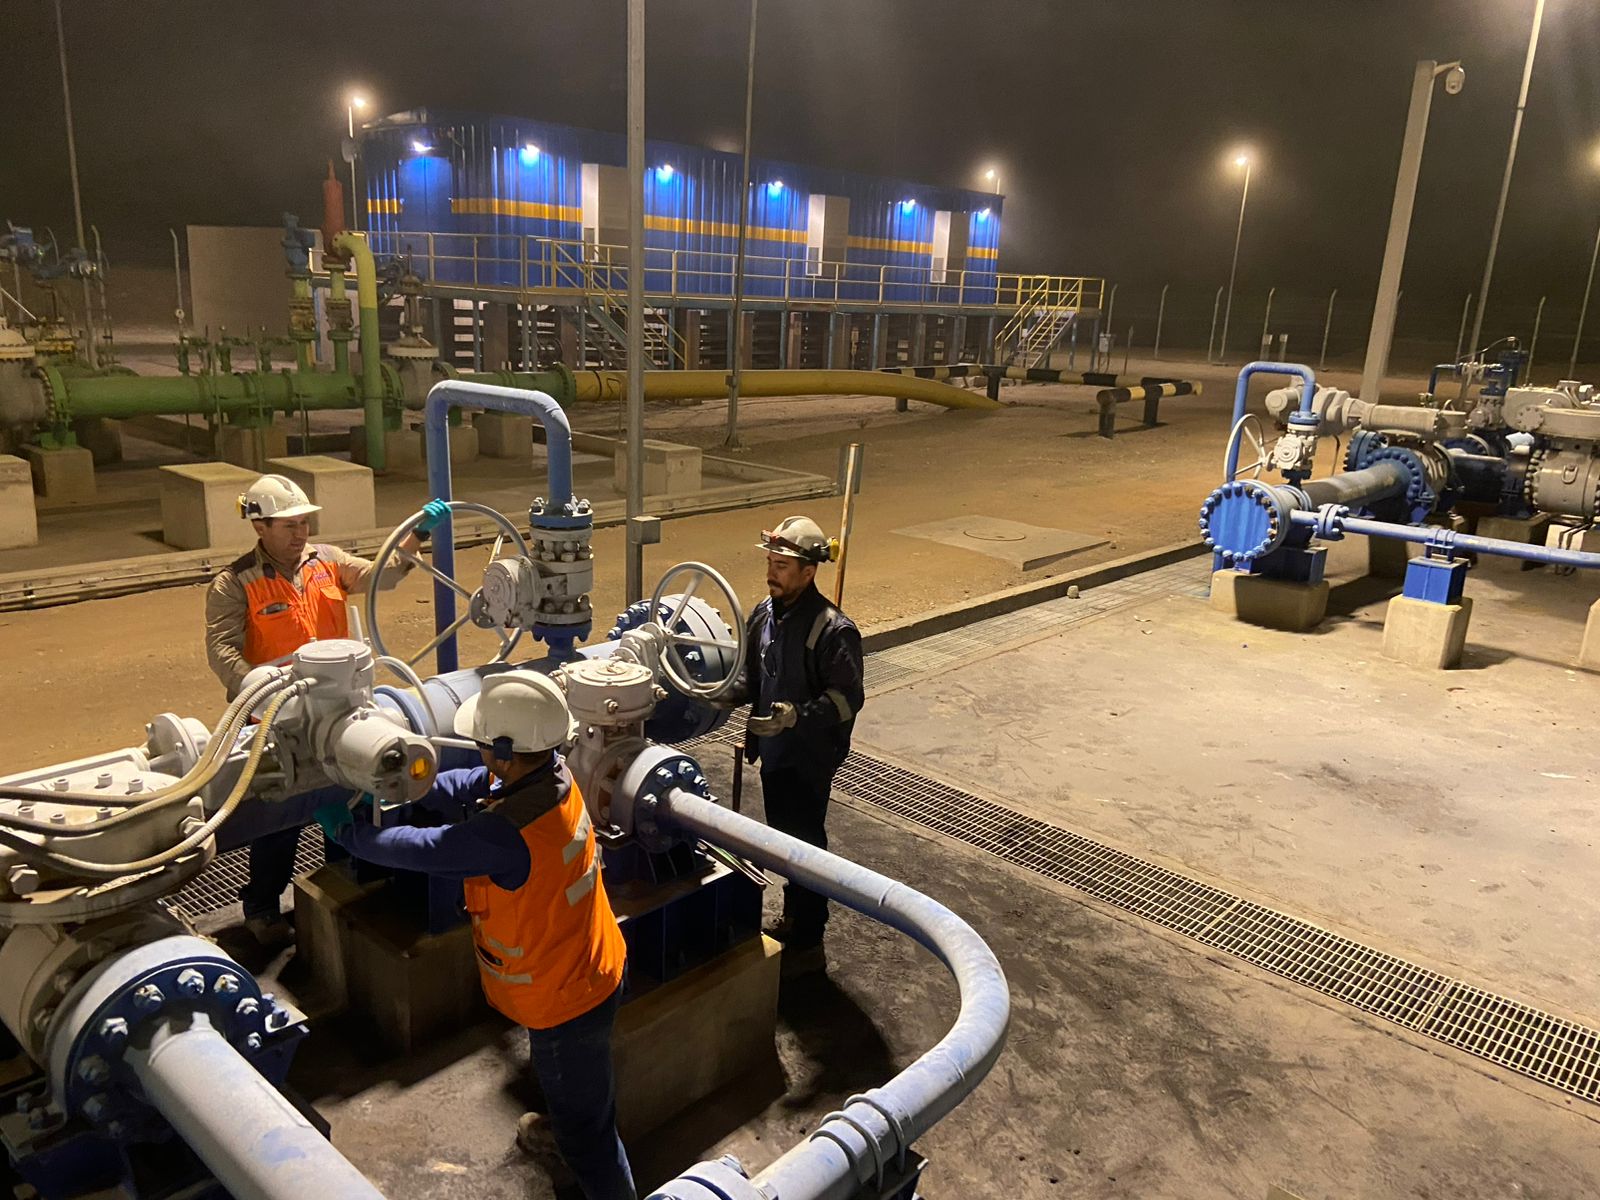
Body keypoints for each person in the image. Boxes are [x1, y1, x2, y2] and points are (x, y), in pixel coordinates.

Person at [313, 670, 634, 1200]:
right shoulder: (550, 776)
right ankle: (566, 1125)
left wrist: (352, 835)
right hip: (586, 965)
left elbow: (426, 849)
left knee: (591, 1134)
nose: (480, 750)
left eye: (483, 742)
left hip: (566, 998)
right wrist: (409, 784)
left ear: (505, 752)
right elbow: (469, 786)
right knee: (577, 1090)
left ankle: (591, 1161)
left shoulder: (506, 836)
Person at [203, 473, 449, 945]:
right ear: (259, 527)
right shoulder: (234, 584)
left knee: (351, 794)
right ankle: (262, 909)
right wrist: (260, 689)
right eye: (289, 525)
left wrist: (415, 537)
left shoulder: (328, 561)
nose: (301, 534)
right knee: (279, 819)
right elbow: (223, 652)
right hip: (280, 720)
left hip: (341, 711)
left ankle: (343, 887)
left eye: (304, 523)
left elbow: (382, 577)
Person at [722, 515, 864, 965]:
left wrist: (797, 716)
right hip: (775, 753)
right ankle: (795, 916)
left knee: (805, 843)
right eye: (770, 562)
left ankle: (809, 938)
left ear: (808, 572)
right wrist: (715, 695)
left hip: (809, 757)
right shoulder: (763, 615)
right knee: (786, 838)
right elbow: (752, 678)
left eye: (782, 566)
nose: (772, 572)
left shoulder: (832, 630)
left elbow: (848, 699)